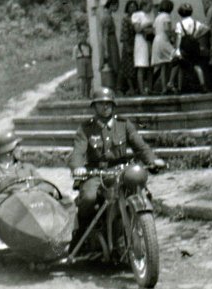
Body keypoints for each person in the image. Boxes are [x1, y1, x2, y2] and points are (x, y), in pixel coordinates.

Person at [68, 87, 165, 230]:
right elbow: (78, 152)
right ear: (94, 106)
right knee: (88, 198)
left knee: (139, 189)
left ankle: (138, 223)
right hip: (96, 173)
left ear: (113, 105)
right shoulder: (86, 128)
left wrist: (152, 160)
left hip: (121, 170)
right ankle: (83, 232)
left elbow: (140, 146)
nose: (105, 106)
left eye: (108, 103)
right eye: (100, 103)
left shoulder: (123, 124)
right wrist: (78, 167)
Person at [0, 131, 41, 210]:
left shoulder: (27, 167)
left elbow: (45, 185)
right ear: (8, 152)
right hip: (11, 211)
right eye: (18, 146)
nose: (22, 149)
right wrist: (15, 196)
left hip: (34, 207)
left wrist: (35, 191)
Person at [167, 2, 209, 93]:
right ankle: (203, 85)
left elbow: (178, 37)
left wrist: (177, 49)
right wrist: (196, 35)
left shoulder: (179, 24)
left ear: (180, 13)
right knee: (196, 65)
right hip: (194, 46)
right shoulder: (195, 22)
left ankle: (172, 83)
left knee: (178, 63)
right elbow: (206, 29)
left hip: (184, 47)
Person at [131, 0, 155, 95]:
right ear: (144, 5)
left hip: (149, 40)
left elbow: (153, 29)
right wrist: (147, 26)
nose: (151, 8)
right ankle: (141, 89)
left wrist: (149, 28)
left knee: (150, 65)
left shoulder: (151, 15)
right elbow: (137, 29)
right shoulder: (137, 15)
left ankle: (149, 88)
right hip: (141, 41)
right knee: (141, 65)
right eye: (149, 6)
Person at [151, 0, 175, 94]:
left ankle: (163, 88)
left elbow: (153, 30)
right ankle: (171, 82)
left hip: (156, 41)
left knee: (163, 65)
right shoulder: (166, 16)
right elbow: (167, 29)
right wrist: (172, 38)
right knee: (176, 58)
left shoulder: (157, 17)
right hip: (163, 40)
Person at [118, 0, 138, 95]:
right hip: (129, 45)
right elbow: (124, 34)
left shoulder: (138, 18)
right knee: (128, 67)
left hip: (137, 44)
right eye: (131, 6)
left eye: (134, 6)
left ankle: (136, 87)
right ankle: (131, 88)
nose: (133, 8)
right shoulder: (126, 20)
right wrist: (127, 47)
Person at [99, 0, 120, 88]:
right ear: (111, 6)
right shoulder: (107, 17)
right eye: (116, 6)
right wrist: (106, 51)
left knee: (115, 65)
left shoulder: (108, 15)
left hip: (112, 40)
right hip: (110, 42)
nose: (117, 9)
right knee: (114, 65)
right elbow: (105, 35)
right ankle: (114, 88)